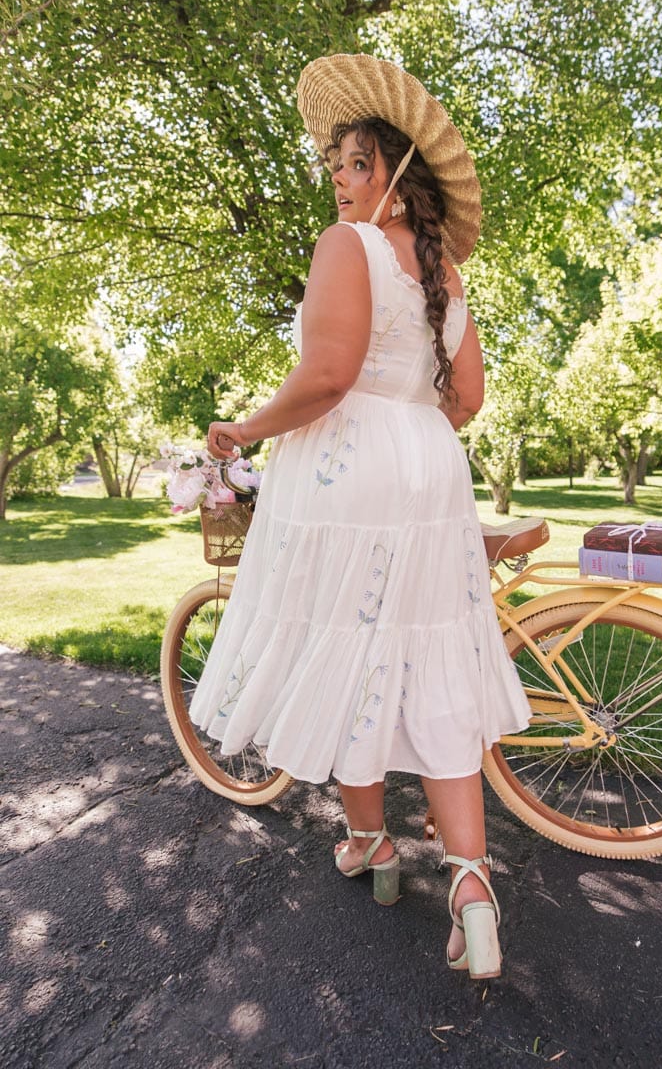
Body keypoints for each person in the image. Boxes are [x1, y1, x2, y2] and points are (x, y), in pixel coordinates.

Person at [191, 53, 531, 979]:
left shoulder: (346, 246)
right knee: (425, 652)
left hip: (349, 475)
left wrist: (246, 429)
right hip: (429, 467)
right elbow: (467, 395)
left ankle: (372, 844)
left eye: (350, 161)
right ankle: (469, 883)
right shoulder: (443, 267)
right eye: (334, 163)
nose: (336, 179)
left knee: (354, 647)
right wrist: (410, 430)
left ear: (388, 170)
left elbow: (329, 377)